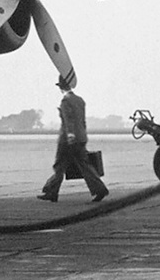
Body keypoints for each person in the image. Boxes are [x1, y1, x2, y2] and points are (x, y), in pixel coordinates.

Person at [39, 74, 108, 203]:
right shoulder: (80, 100)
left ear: (61, 88)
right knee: (85, 165)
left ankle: (51, 192)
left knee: (59, 165)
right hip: (81, 137)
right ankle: (99, 189)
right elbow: (82, 120)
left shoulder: (65, 101)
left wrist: (70, 135)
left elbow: (68, 120)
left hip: (68, 139)